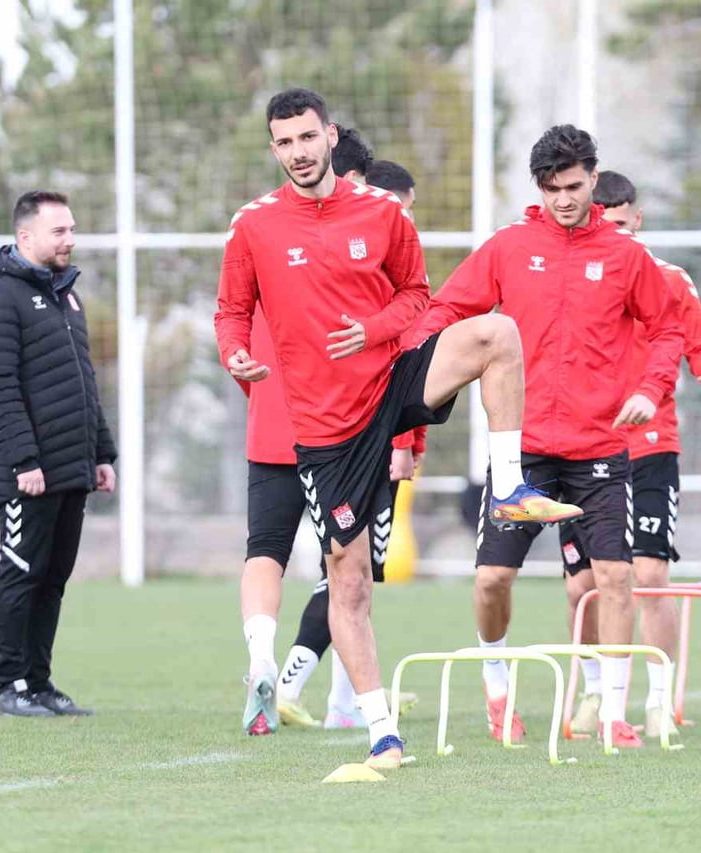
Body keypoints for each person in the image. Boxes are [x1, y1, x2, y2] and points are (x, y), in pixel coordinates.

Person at [215, 88, 581, 768]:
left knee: (497, 332)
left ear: (329, 137)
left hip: (391, 376)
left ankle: (507, 485)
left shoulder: (382, 213)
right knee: (347, 581)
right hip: (328, 425)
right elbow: (231, 312)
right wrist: (234, 352)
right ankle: (382, 729)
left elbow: (418, 294)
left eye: (306, 138)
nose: (297, 152)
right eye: (284, 142)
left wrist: (376, 330)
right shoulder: (254, 226)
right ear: (274, 148)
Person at [410, 126, 683, 749]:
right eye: (552, 188)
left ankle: (614, 712)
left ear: (593, 179)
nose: (564, 198)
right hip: (523, 451)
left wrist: (648, 388)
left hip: (599, 450)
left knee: (615, 578)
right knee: (490, 582)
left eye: (575, 185)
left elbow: (666, 330)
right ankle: (498, 690)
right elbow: (445, 311)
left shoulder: (625, 256)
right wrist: (423, 370)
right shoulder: (509, 247)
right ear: (540, 188)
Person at [564, 171, 701, 739]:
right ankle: (591, 692)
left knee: (650, 574)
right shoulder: (577, 275)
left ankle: (658, 698)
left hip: (652, 443)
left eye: (622, 218)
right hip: (586, 444)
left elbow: (694, 335)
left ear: (638, 219)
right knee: (582, 585)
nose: (615, 228)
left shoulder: (669, 278)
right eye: (602, 219)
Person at [275, 158, 425, 731]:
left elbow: (408, 352)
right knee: (348, 575)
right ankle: (292, 682)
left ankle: (344, 702)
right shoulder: (340, 253)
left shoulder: (386, 263)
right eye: (400, 209)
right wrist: (405, 442)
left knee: (355, 577)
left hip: (364, 429)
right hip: (349, 436)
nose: (403, 222)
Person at [0, 190, 117, 718]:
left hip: (71, 465)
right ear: (25, 236)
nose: (70, 240)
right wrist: (23, 462)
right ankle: (5, 687)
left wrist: (102, 453)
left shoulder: (66, 295)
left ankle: (38, 683)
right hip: (27, 471)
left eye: (72, 229)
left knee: (53, 579)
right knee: (20, 573)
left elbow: (84, 382)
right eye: (59, 232)